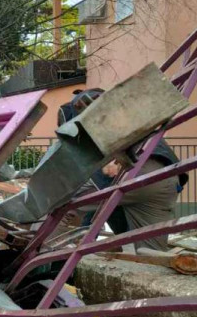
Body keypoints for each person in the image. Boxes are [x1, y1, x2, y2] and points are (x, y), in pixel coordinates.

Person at [73, 88, 188, 251]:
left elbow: (102, 182)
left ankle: (59, 259)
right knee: (150, 251)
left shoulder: (97, 123)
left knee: (65, 205)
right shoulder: (130, 118)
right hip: (168, 178)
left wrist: (83, 241)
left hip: (136, 171)